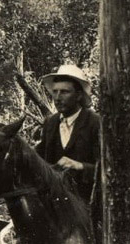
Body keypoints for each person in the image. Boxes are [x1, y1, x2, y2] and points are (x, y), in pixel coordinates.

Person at [37, 63, 100, 204]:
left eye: (65, 92)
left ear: (78, 95)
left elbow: (106, 168)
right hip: (54, 202)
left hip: (88, 202)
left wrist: (80, 166)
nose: (57, 97)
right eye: (55, 92)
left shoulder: (95, 123)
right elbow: (41, 157)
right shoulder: (51, 123)